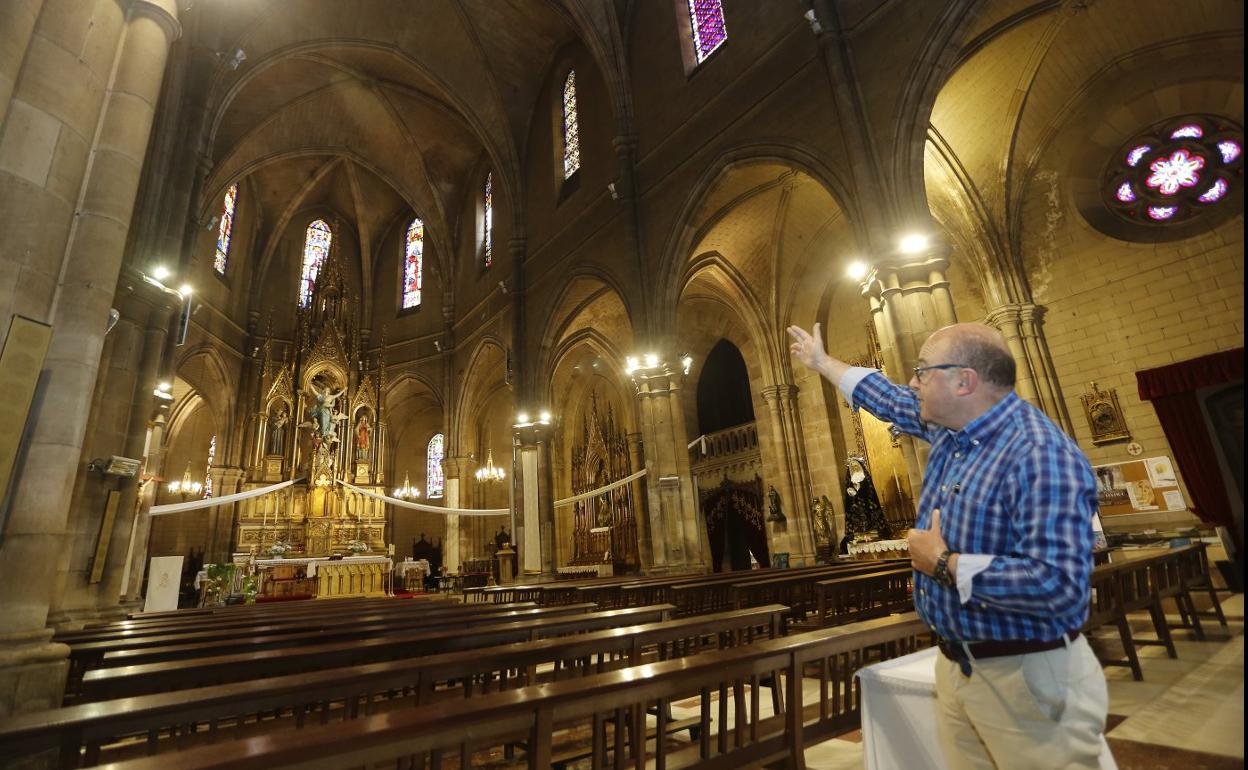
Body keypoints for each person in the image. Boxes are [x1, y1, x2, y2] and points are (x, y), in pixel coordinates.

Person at [788, 321, 1105, 769]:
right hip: (960, 664)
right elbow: (888, 398)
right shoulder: (953, 429)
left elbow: (1058, 586)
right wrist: (821, 363)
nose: (913, 382)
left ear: (964, 381)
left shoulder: (1037, 454)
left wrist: (944, 563)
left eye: (922, 372)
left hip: (1028, 679)